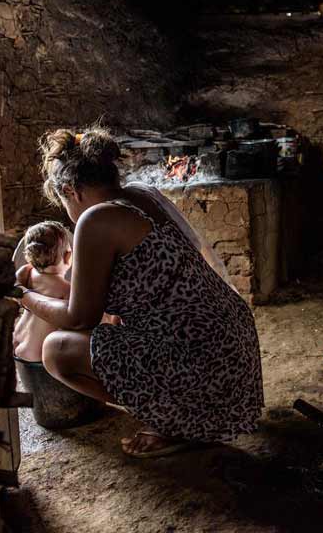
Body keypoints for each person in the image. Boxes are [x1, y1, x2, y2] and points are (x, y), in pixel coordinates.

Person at [13, 126, 264, 458]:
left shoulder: (96, 219)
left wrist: (22, 295)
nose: (69, 216)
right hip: (233, 350)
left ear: (71, 190)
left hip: (204, 365)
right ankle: (179, 411)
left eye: (64, 203)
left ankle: (179, 422)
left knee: (56, 350)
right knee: (108, 329)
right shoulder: (141, 195)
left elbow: (79, 316)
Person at [12, 221, 73, 362]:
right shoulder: (66, 289)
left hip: (17, 345)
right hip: (37, 356)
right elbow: (75, 320)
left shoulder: (27, 273)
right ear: (68, 256)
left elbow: (16, 285)